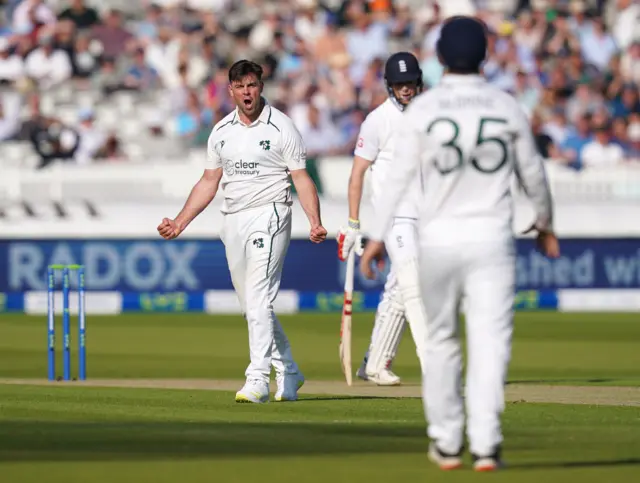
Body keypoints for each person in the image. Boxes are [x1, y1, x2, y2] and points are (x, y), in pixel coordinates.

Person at [360, 16, 559, 471]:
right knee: (489, 345)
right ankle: (486, 445)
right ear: (485, 56)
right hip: (491, 241)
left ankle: (448, 442)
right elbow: (532, 171)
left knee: (444, 343)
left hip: (439, 240)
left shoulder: (425, 111)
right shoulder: (504, 104)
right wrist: (544, 222)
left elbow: (397, 179)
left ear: (441, 58)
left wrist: (375, 237)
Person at [157, 60, 327, 404]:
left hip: (272, 212)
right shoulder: (221, 131)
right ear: (230, 90)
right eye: (240, 87)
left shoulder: (282, 127)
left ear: (260, 87)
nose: (247, 92)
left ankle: (257, 379)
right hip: (233, 219)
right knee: (252, 305)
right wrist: (179, 222)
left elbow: (301, 177)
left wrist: (314, 220)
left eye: (252, 85)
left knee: (259, 296)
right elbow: (208, 182)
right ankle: (290, 369)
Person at [337, 51, 428, 386]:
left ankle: (374, 362)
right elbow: (357, 173)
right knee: (412, 282)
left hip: (423, 215)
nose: (406, 89)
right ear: (391, 86)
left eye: (410, 83)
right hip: (395, 216)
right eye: (400, 84)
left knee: (401, 288)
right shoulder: (377, 120)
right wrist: (353, 222)